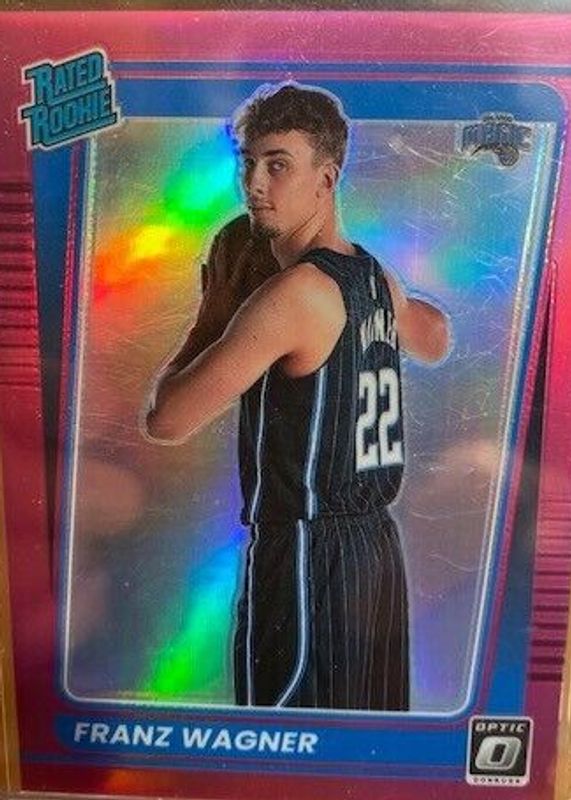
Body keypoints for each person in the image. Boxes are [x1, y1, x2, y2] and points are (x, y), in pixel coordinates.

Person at [145, 83, 450, 711]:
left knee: (280, 744)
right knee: (365, 740)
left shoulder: (294, 295)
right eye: (249, 163)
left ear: (327, 178)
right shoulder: (371, 273)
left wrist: (215, 311)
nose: (255, 183)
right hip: (376, 554)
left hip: (306, 556)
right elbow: (437, 338)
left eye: (278, 165)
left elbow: (167, 420)